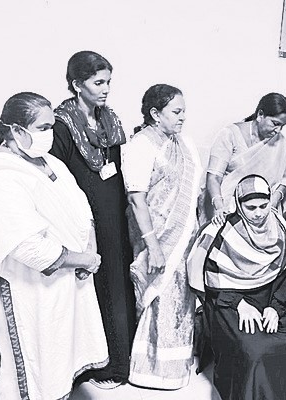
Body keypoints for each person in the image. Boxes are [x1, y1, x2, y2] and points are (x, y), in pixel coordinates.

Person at [0, 92, 108, 399]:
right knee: (32, 373)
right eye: (43, 128)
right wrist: (85, 260)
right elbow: (30, 248)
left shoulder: (51, 163)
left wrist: (89, 249)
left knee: (58, 366)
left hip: (64, 285)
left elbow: (81, 207)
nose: (50, 134)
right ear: (16, 131)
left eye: (52, 127)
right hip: (27, 291)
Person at [188, 174, 286, 400]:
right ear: (239, 205)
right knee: (254, 350)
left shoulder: (280, 227)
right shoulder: (222, 231)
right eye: (251, 208)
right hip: (230, 297)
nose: (259, 213)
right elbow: (209, 279)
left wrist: (276, 307)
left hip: (275, 292)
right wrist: (239, 304)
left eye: (263, 205)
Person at [50, 50, 136, 388]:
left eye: (108, 82)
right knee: (91, 289)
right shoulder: (61, 125)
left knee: (117, 284)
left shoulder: (110, 119)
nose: (106, 89)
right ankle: (96, 366)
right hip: (82, 220)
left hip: (115, 214)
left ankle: (120, 364)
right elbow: (56, 177)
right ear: (77, 84)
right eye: (98, 83)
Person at [121, 84, 202, 389]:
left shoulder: (184, 144)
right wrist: (153, 247)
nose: (183, 117)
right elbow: (136, 200)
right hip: (154, 238)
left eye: (184, 111)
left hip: (184, 238)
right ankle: (151, 370)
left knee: (180, 298)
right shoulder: (142, 145)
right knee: (157, 297)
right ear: (155, 114)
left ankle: (176, 366)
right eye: (176, 111)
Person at [200, 92, 286, 225]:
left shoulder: (281, 143)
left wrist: (273, 202)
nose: (278, 130)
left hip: (261, 209)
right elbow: (214, 176)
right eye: (275, 123)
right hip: (225, 204)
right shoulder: (229, 134)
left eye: (282, 126)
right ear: (260, 115)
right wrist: (220, 207)